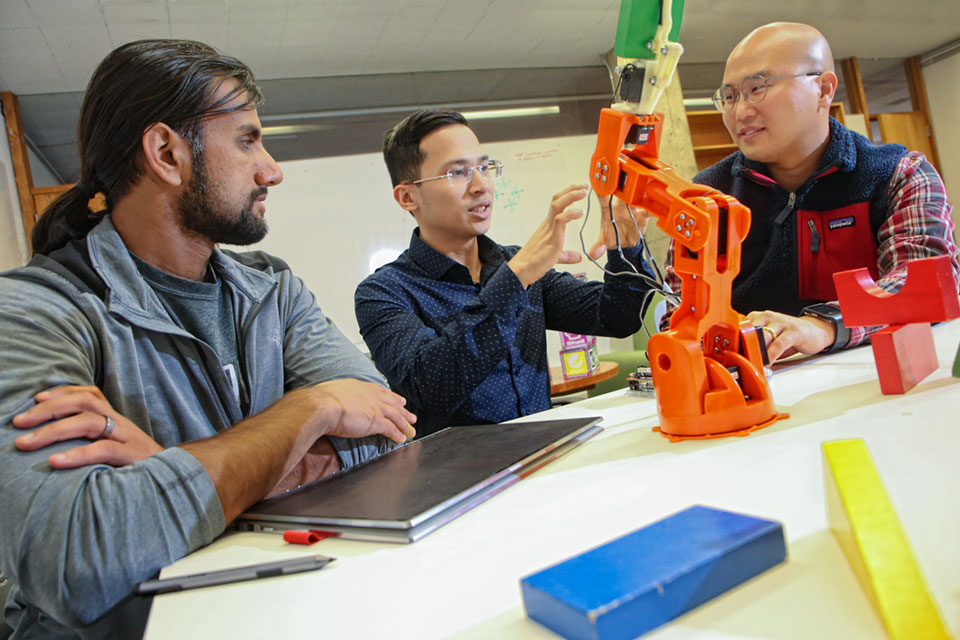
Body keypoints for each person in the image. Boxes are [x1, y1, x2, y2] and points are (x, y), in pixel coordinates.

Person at [0, 40, 417, 639]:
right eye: (247, 140)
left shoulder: (272, 287)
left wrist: (168, 472)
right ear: (167, 152)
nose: (271, 168)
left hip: (277, 612)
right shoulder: (33, 311)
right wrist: (310, 408)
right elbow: (77, 560)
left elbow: (390, 430)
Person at [663, 22, 959, 361]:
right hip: (752, 388)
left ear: (823, 89)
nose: (740, 111)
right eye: (729, 97)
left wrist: (825, 326)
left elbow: (924, 286)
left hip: (878, 383)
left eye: (757, 88)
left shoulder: (899, 175)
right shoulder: (706, 196)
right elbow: (678, 313)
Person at [355, 109, 656, 437]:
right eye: (457, 173)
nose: (481, 185)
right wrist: (515, 279)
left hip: (544, 459)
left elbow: (617, 318)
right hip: (463, 481)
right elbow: (433, 386)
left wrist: (625, 250)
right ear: (407, 197)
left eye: (484, 167)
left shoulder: (515, 264)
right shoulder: (384, 291)